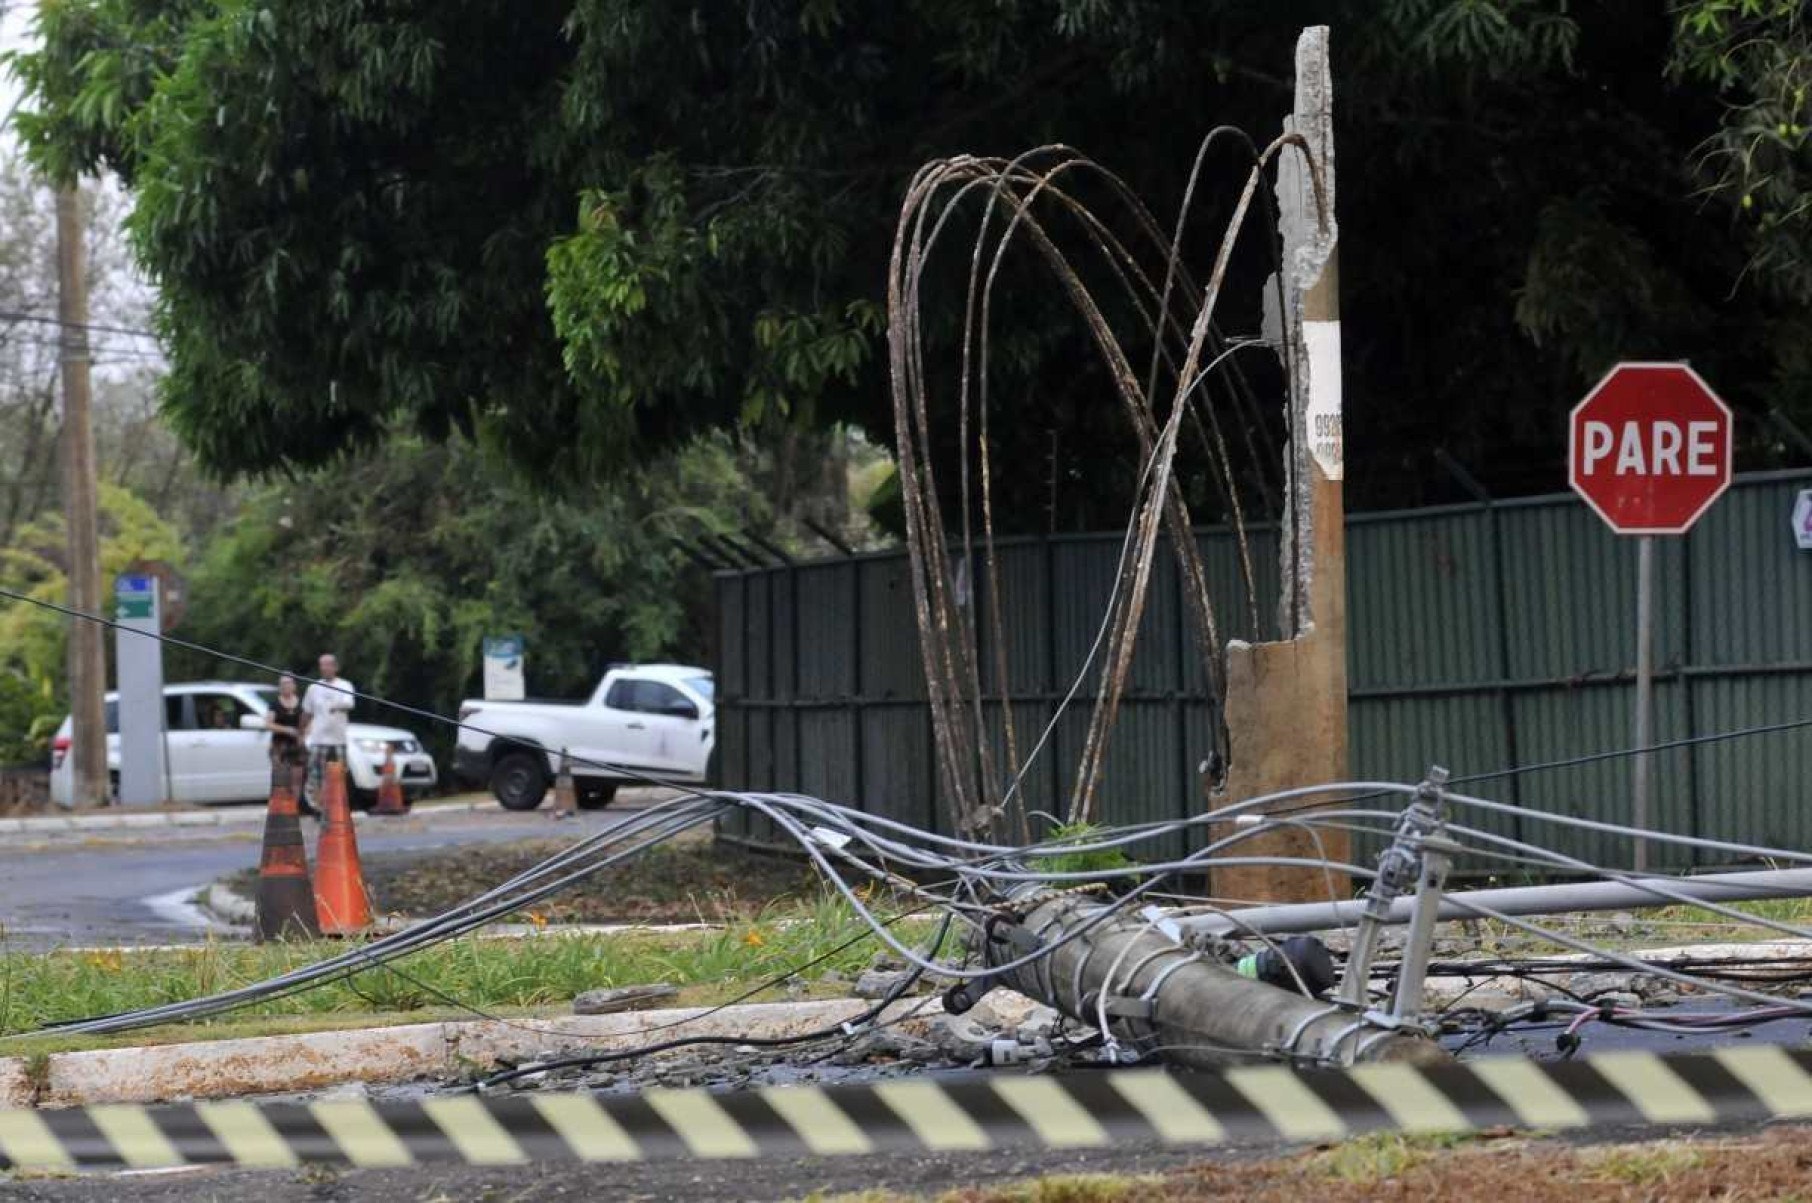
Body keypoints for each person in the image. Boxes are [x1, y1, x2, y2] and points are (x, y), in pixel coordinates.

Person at [301, 653, 355, 814]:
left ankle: (338, 806)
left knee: (340, 774)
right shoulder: (313, 688)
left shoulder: (344, 685)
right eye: (322, 665)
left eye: (328, 665)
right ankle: (318, 808)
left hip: (338, 739)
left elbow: (349, 703)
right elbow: (307, 712)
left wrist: (336, 706)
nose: (324, 668)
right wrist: (302, 732)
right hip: (318, 738)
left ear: (335, 667)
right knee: (315, 774)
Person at [265, 674, 309, 814]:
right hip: (280, 745)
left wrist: (304, 734)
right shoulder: (274, 704)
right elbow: (268, 724)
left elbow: (308, 722)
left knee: (297, 778)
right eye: (283, 684)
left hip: (296, 744)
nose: (286, 686)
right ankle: (280, 809)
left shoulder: (301, 703)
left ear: (294, 686)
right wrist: (286, 730)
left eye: (289, 683)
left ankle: (293, 808)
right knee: (281, 779)